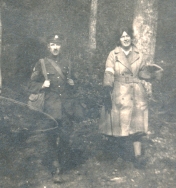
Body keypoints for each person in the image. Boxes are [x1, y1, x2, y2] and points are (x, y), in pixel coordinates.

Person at [99, 26, 163, 168]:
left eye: (128, 36)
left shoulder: (139, 54)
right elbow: (108, 72)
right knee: (119, 125)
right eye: (122, 36)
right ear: (119, 39)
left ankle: (138, 157)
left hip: (136, 93)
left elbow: (142, 73)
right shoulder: (113, 54)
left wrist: (152, 74)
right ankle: (120, 157)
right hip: (119, 92)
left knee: (137, 126)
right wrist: (107, 88)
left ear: (132, 37)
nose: (126, 39)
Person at [28, 34, 74, 182]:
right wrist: (42, 85)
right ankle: (56, 168)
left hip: (66, 106)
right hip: (50, 107)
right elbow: (30, 85)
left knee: (66, 136)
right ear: (48, 46)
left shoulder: (68, 62)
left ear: (61, 46)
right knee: (52, 137)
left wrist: (73, 83)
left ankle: (61, 161)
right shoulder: (41, 63)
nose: (55, 47)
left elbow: (73, 81)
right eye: (52, 44)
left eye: (58, 44)